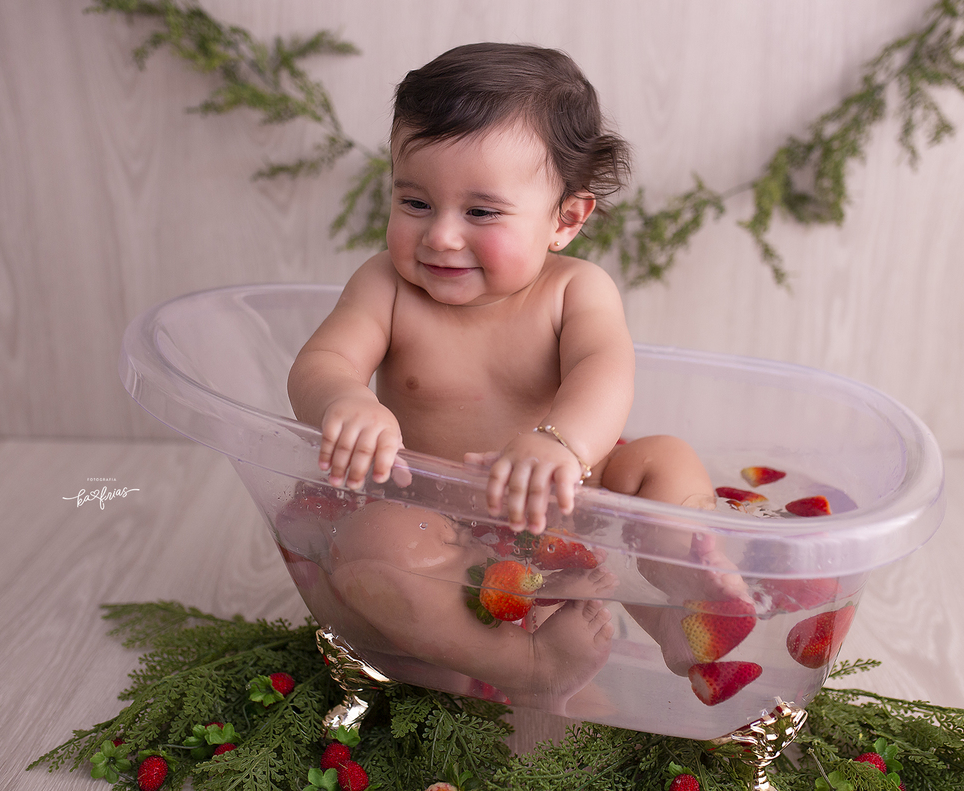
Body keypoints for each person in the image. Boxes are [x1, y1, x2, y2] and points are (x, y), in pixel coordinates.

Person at [285, 43, 737, 711]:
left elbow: (604, 370)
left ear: (566, 219)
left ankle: (683, 608)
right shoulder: (384, 285)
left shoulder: (574, 290)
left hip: (569, 509)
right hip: (438, 529)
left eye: (481, 212)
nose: (440, 236)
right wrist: (345, 399)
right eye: (414, 201)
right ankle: (520, 662)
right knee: (369, 547)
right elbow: (319, 365)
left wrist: (561, 442)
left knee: (665, 460)